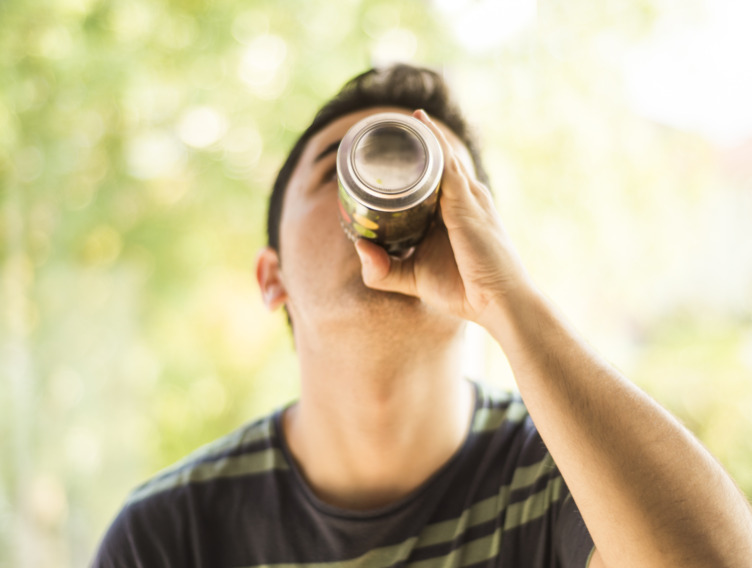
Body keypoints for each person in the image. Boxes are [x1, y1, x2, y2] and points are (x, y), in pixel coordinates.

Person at [92, 64, 752, 567]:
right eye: (339, 171)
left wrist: (506, 300)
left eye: (436, 175)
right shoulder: (171, 534)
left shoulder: (575, 477)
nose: (383, 190)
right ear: (273, 278)